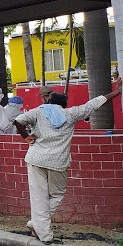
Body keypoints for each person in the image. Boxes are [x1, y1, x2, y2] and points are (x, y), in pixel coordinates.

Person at [14, 79, 122, 244]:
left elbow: (18, 120)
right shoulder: (71, 114)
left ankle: (37, 224)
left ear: (49, 101)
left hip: (35, 158)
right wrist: (116, 92)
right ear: (64, 104)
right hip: (57, 162)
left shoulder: (38, 112)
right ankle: (45, 235)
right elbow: (93, 104)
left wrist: (26, 137)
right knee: (57, 194)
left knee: (38, 197)